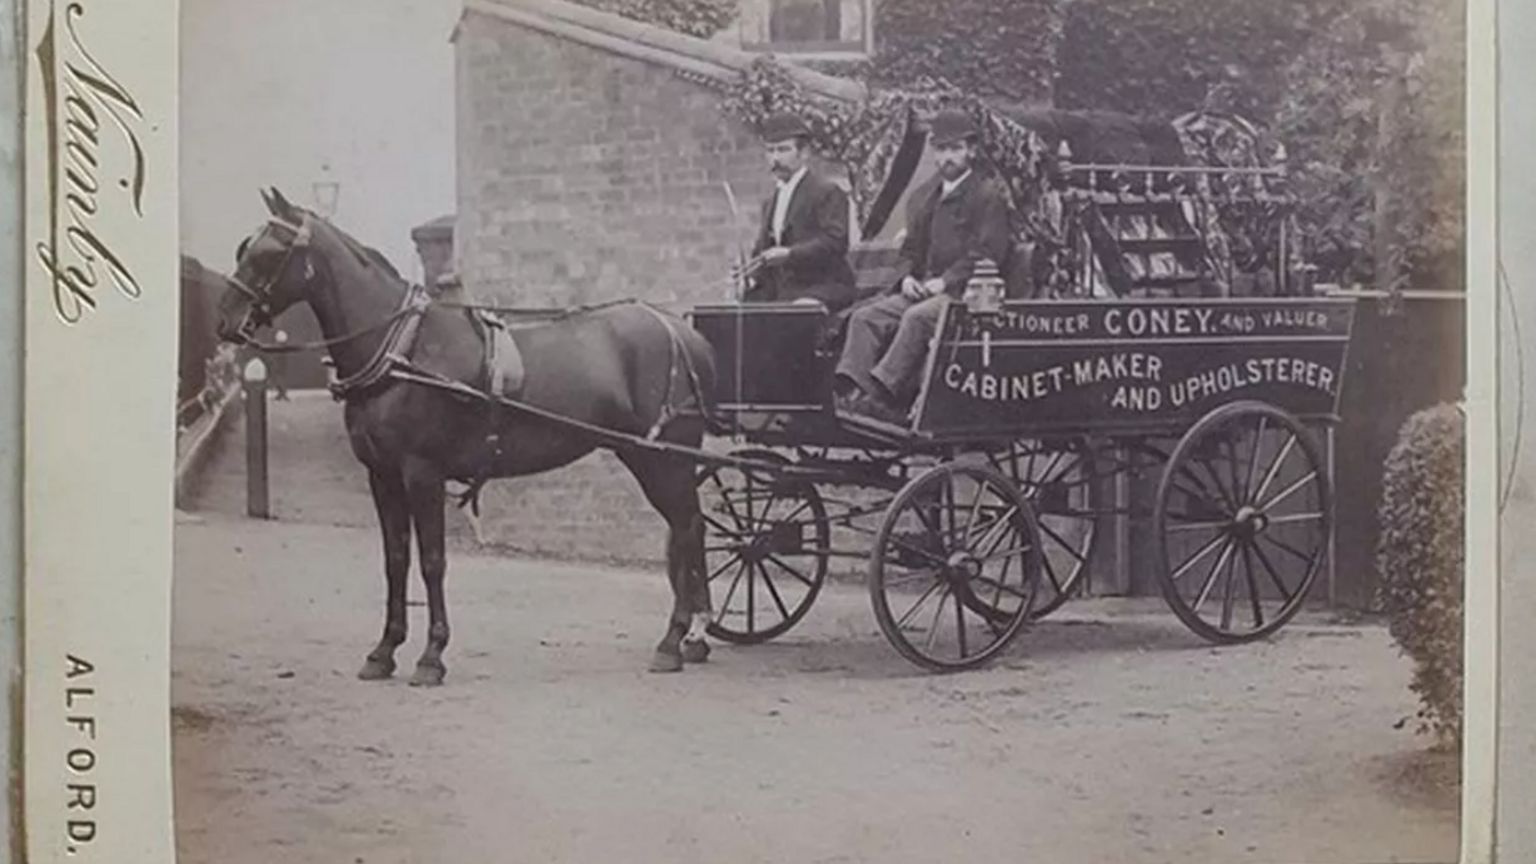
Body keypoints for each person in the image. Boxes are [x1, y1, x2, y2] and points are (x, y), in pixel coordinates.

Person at [835, 109, 1013, 424]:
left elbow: (987, 254)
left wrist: (944, 282)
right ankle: (853, 393)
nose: (947, 157)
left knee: (917, 318)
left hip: (967, 295)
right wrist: (906, 279)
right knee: (866, 317)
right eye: (941, 149)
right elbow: (910, 250)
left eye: (955, 148)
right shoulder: (924, 197)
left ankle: (883, 397)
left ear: (971, 150)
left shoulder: (986, 196)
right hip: (924, 287)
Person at [736, 112, 857, 312]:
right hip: (783, 291)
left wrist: (790, 254)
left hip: (823, 287)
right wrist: (749, 274)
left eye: (783, 150)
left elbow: (835, 242)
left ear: (804, 153)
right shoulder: (771, 201)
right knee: (736, 317)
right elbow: (762, 251)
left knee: (796, 314)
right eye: (770, 151)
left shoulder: (826, 191)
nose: (775, 158)